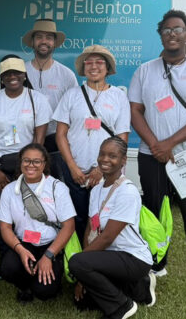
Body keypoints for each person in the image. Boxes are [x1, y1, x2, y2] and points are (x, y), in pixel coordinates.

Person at [128, 9, 186, 304]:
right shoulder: (145, 70)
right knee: (154, 213)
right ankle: (155, 266)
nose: (172, 34)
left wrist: (169, 142)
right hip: (151, 156)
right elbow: (135, 111)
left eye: (178, 29)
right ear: (161, 35)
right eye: (167, 30)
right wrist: (156, 145)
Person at [70, 137, 156, 319]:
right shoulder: (96, 190)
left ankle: (122, 306)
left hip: (133, 257)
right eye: (102, 154)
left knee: (77, 262)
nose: (105, 159)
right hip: (110, 255)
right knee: (82, 303)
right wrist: (84, 275)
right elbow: (90, 229)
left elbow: (107, 237)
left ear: (123, 160)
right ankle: (140, 288)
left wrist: (81, 268)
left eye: (112, 156)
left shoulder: (127, 191)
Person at [0, 57, 52, 258]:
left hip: (28, 167)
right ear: (1, 78)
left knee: (28, 210)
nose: (12, 77)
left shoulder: (38, 100)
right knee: (3, 213)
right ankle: (6, 256)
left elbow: (39, 138)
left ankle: (30, 252)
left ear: (24, 75)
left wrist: (29, 168)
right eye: (7, 74)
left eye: (17, 72)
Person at [53, 45, 130, 240]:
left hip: (106, 169)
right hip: (75, 169)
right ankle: (75, 257)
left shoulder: (119, 96)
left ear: (108, 68)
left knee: (102, 216)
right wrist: (72, 167)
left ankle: (96, 256)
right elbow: (61, 134)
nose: (94, 66)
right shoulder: (71, 95)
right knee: (75, 217)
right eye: (89, 62)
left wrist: (101, 169)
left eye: (99, 62)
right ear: (83, 68)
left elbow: (122, 137)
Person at [0, 143, 75, 302]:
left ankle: (46, 278)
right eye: (26, 161)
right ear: (21, 163)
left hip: (51, 245)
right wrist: (20, 250)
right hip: (24, 242)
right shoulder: (10, 190)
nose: (31, 165)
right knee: (8, 268)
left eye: (36, 161)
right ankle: (24, 286)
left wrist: (48, 256)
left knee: (45, 292)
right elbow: (4, 227)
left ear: (44, 164)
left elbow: (69, 226)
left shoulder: (58, 188)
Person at [22, 19, 78, 177]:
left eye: (48, 37)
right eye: (39, 37)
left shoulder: (66, 75)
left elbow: (73, 112)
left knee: (55, 187)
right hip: (25, 138)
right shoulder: (20, 71)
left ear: (54, 43)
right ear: (32, 42)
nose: (44, 41)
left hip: (55, 142)